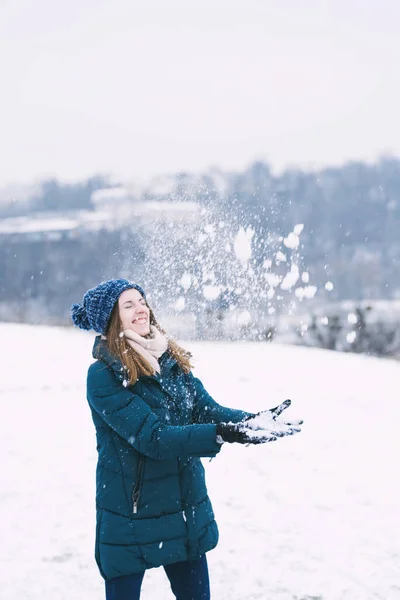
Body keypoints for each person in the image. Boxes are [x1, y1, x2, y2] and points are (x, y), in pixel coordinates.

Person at [71, 279, 302, 600]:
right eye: (128, 305)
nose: (140, 309)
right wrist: (222, 434)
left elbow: (205, 409)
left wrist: (250, 422)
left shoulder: (169, 360)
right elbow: (153, 438)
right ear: (113, 319)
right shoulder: (103, 375)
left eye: (141, 300)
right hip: (132, 512)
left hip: (182, 504)